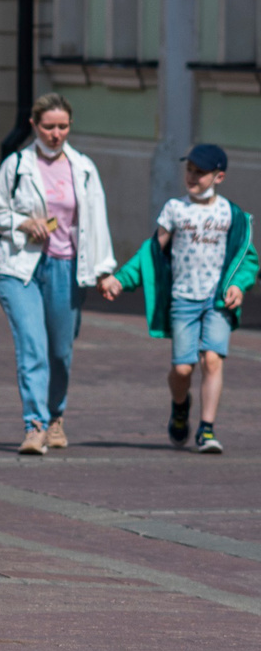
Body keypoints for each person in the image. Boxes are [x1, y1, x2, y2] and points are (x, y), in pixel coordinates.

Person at [0, 94, 115, 454]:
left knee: (60, 351)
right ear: (34, 125)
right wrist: (23, 222)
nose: (56, 134)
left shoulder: (84, 168)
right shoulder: (16, 165)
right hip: (20, 267)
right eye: (48, 126)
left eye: (62, 127)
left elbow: (97, 222)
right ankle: (35, 425)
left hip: (67, 267)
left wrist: (104, 271)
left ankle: (56, 416)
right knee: (33, 346)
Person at [104, 144, 255, 454]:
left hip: (216, 301)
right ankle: (180, 404)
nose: (192, 176)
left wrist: (239, 285)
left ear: (219, 176)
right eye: (189, 170)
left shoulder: (232, 215)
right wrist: (121, 279)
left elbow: (246, 259)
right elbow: (151, 254)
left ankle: (207, 430)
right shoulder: (175, 209)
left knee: (212, 360)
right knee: (183, 370)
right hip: (183, 300)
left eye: (200, 172)